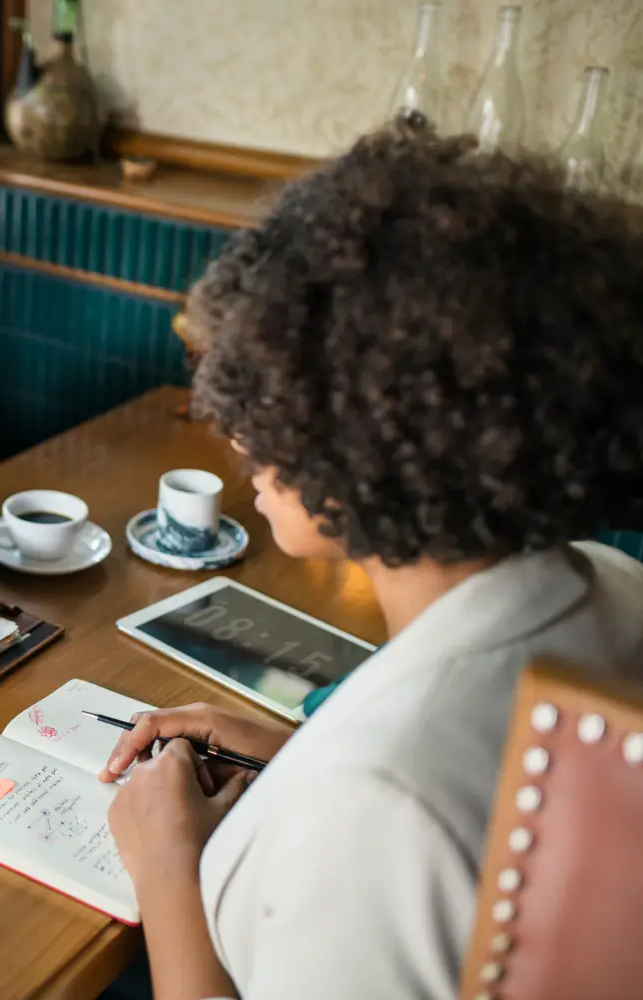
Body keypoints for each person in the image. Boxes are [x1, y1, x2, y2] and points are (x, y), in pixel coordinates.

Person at [100, 121, 643, 1000]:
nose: (236, 434)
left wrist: (170, 872)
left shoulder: (381, 802)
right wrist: (305, 752)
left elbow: (411, 802)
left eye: (269, 402)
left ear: (372, 440)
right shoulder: (612, 581)